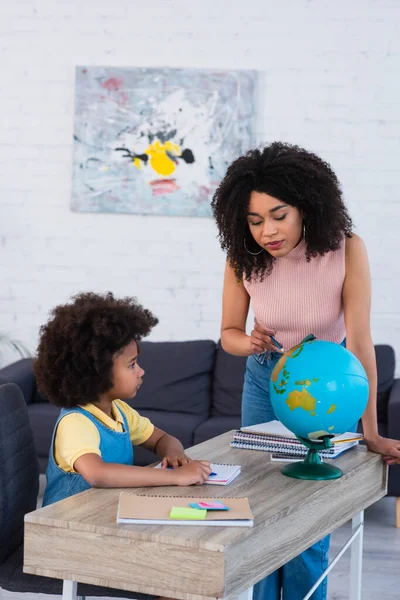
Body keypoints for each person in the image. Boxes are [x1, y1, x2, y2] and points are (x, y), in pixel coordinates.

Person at [211, 142, 400, 600]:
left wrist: (371, 433)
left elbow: (358, 343)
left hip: (329, 385)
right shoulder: (244, 257)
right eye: (254, 221)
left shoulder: (346, 249)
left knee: (308, 508)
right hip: (265, 377)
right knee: (259, 499)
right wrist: (248, 341)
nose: (267, 231)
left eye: (278, 215)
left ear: (306, 207)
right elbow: (229, 333)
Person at [34, 291, 212, 509]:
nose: (141, 371)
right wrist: (174, 477)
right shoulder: (75, 422)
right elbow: (98, 474)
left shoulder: (120, 411)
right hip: (68, 527)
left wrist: (174, 455)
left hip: (107, 515)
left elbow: (162, 439)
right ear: (97, 371)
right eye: (132, 365)